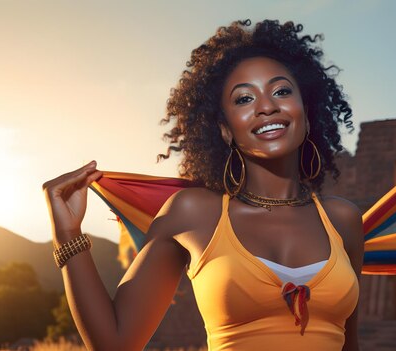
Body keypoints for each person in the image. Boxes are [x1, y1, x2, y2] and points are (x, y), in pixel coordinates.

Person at [42, 19, 363, 351]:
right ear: (225, 129)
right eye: (243, 99)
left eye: (281, 91)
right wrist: (68, 236)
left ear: (307, 113)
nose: (267, 107)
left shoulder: (343, 220)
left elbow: (348, 344)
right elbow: (116, 344)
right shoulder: (194, 212)